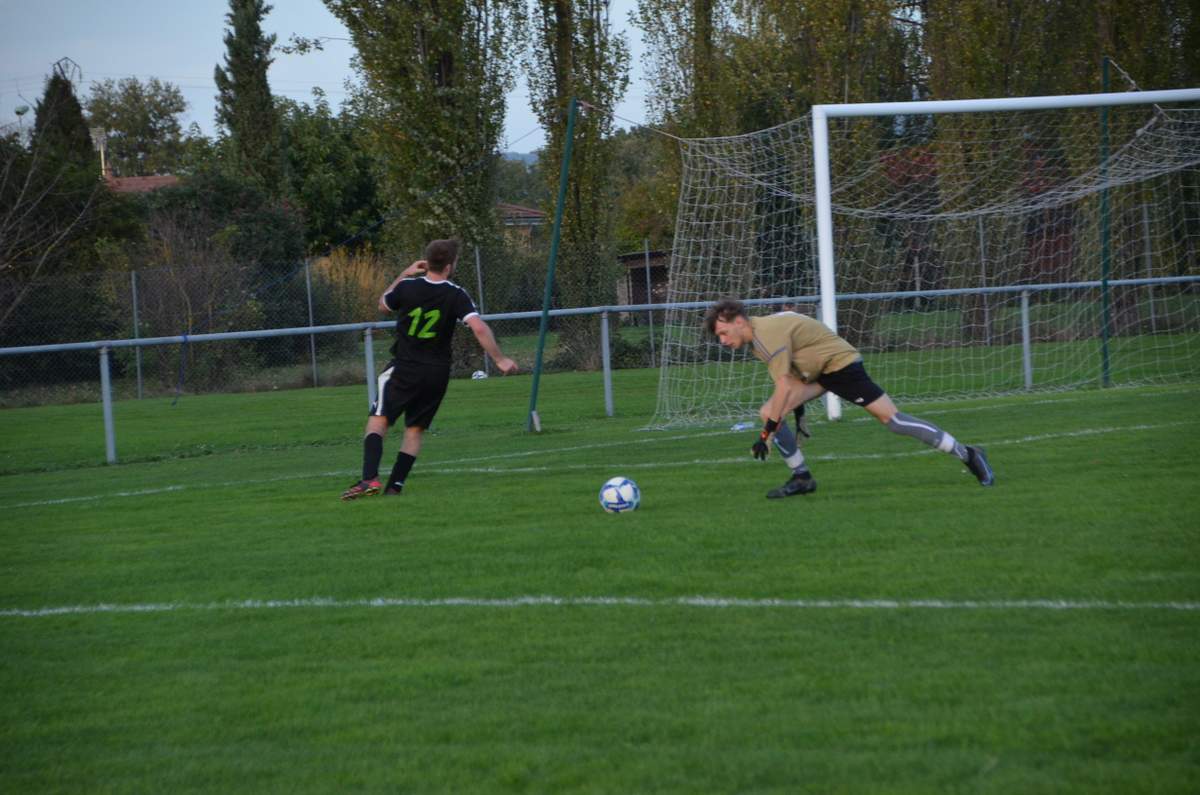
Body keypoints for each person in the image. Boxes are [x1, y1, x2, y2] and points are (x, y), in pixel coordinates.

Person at [704, 298, 994, 498]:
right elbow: (793, 378)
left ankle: (969, 454)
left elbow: (784, 387)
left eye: (724, 333)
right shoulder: (758, 337)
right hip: (819, 371)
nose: (723, 341)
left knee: (892, 420)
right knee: (768, 411)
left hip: (842, 367)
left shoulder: (767, 337)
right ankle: (801, 478)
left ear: (739, 321)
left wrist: (765, 434)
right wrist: (797, 415)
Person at [341, 239, 518, 500]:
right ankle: (394, 488)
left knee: (378, 423)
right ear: (449, 266)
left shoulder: (408, 286)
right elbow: (478, 327)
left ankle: (369, 479)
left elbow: (383, 304)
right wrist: (500, 359)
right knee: (414, 430)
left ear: (427, 262)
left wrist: (405, 273)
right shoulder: (456, 293)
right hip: (436, 373)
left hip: (403, 367)